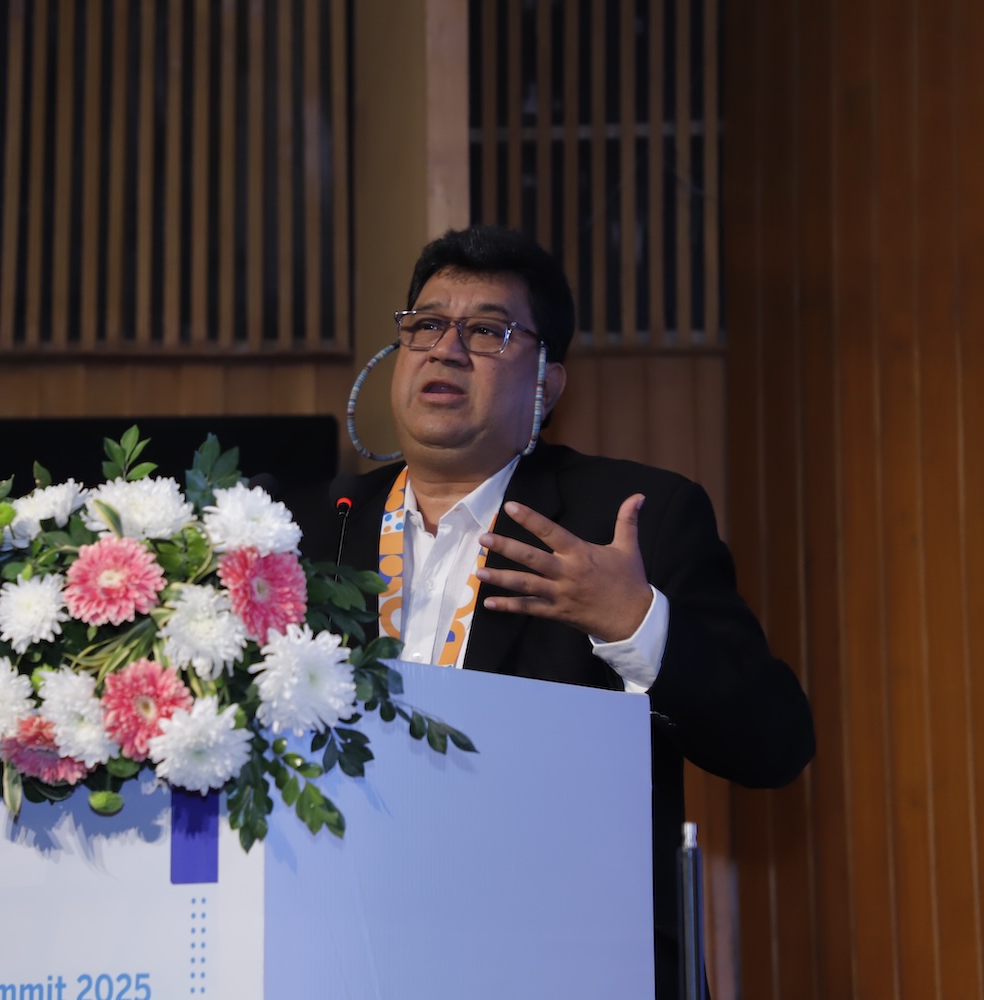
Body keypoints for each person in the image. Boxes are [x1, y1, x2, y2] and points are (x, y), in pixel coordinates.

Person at [291, 223, 815, 1000]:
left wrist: (635, 625)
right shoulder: (308, 530)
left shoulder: (626, 520)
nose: (446, 349)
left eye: (487, 331)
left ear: (547, 383)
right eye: (427, 325)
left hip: (566, 962)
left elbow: (774, 742)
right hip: (344, 954)